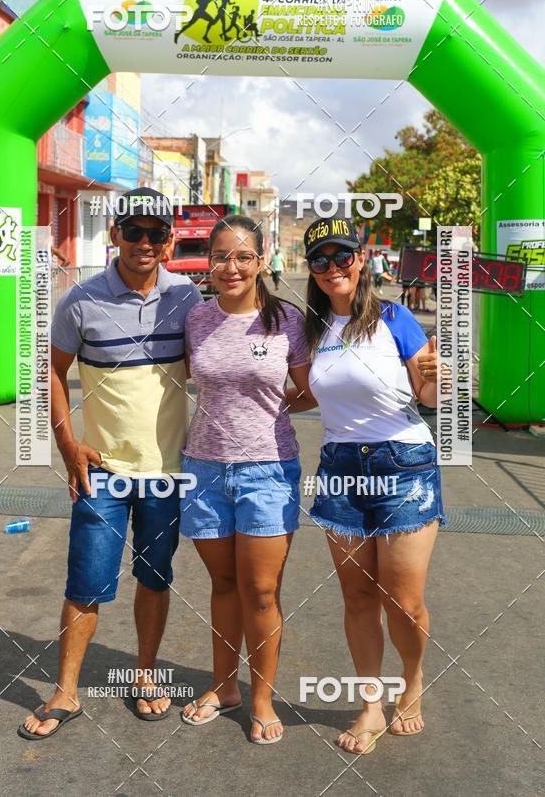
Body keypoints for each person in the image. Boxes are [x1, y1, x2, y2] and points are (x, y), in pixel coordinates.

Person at [18, 188, 202, 739]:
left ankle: (144, 677)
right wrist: (67, 445)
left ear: (168, 241)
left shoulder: (188, 299)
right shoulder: (81, 300)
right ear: (116, 234)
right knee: (86, 583)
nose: (144, 243)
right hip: (101, 471)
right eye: (134, 231)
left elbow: (215, 363)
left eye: (155, 233)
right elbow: (50, 371)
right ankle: (66, 692)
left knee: (155, 577)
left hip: (168, 472)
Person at [295, 216, 446, 757]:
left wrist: (435, 376)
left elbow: (426, 398)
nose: (333, 268)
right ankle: (370, 703)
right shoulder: (312, 329)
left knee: (402, 600)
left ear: (361, 260)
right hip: (340, 466)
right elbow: (304, 393)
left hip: (403, 462)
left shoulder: (394, 318)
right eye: (321, 261)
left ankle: (412, 683)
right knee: (358, 596)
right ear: (310, 270)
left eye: (342, 257)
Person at [179, 214, 313, 744]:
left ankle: (261, 697)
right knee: (223, 584)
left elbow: (310, 390)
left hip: (268, 469)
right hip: (204, 467)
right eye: (220, 257)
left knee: (261, 590)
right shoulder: (195, 319)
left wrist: (271, 414)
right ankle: (223, 686)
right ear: (209, 263)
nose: (230, 267)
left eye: (242, 257)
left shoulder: (286, 321)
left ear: (261, 262)